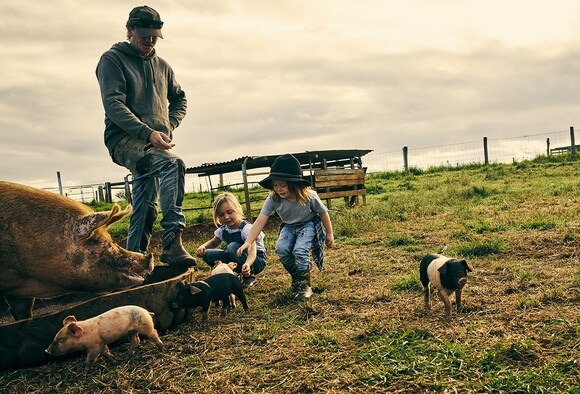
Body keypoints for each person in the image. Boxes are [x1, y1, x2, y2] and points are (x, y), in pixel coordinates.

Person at [96, 5, 196, 267]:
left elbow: (179, 98)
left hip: (154, 144)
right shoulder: (112, 60)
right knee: (172, 163)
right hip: (125, 141)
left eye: (155, 36)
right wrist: (147, 132)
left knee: (145, 204)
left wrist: (169, 125)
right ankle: (173, 243)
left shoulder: (163, 66)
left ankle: (132, 261)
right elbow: (114, 105)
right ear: (130, 30)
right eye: (145, 36)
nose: (150, 41)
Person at [237, 154, 334, 300]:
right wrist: (248, 241)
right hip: (288, 226)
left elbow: (323, 213)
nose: (278, 189)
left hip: (308, 224)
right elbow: (260, 221)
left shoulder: (310, 196)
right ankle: (297, 277)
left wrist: (329, 233)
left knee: (300, 250)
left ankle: (305, 286)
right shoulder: (273, 198)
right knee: (281, 250)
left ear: (294, 183)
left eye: (283, 185)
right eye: (275, 185)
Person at [196, 192, 267, 287]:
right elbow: (213, 243)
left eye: (230, 212)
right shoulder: (223, 229)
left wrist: (248, 264)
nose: (226, 217)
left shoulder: (246, 228)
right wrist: (202, 247)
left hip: (255, 261)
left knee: (232, 246)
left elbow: (253, 250)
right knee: (208, 254)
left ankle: (249, 277)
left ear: (237, 209)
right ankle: (226, 274)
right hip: (236, 259)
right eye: (221, 215)